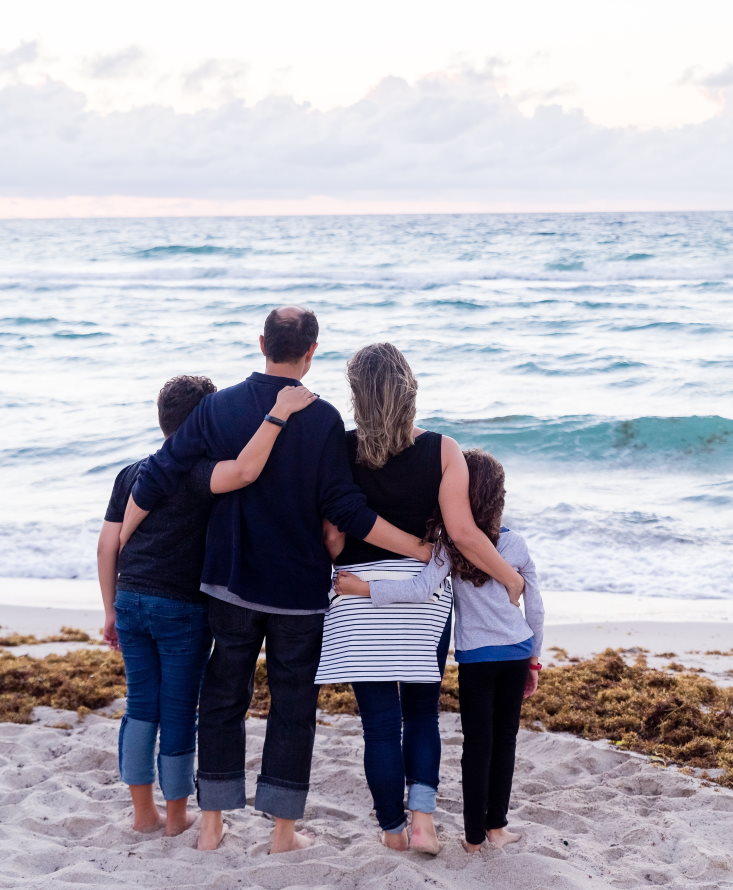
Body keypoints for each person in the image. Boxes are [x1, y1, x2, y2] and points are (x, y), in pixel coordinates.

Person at [119, 307, 432, 854]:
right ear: (312, 351)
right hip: (297, 591)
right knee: (292, 707)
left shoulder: (218, 407)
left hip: (230, 582)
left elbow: (161, 471)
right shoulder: (324, 418)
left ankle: (212, 823)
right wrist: (420, 549)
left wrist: (123, 538)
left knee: (222, 699)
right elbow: (346, 508)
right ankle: (283, 833)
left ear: (262, 341)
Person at [314, 344, 526, 855]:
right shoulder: (442, 449)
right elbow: (463, 533)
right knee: (422, 714)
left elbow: (333, 542)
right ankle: (425, 821)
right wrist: (509, 580)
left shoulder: (341, 450)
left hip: (357, 597)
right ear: (410, 389)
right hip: (422, 598)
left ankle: (392, 830)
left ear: (357, 395)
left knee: (381, 725)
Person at [98, 375, 316, 836]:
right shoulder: (198, 474)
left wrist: (110, 610)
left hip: (131, 600)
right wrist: (278, 416)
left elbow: (106, 547)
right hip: (180, 609)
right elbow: (243, 471)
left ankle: (142, 814)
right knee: (178, 710)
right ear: (206, 420)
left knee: (141, 706)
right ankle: (176, 817)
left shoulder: (132, 472)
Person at [336, 449, 544, 853]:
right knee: (506, 741)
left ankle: (472, 838)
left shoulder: (450, 546)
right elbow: (534, 607)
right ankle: (497, 826)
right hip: (517, 652)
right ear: (499, 497)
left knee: (477, 744)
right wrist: (534, 657)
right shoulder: (515, 544)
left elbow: (419, 589)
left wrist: (363, 588)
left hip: (476, 659)